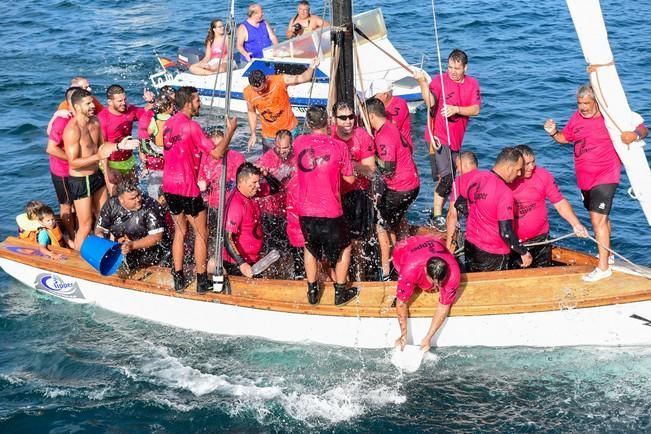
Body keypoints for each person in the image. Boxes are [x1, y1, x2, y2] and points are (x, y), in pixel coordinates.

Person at [544, 84, 648, 281]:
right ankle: (606, 256)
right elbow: (565, 138)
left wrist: (633, 135)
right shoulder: (577, 117)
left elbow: (643, 129)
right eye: (579, 103)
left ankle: (603, 268)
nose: (582, 107)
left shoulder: (611, 114)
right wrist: (552, 132)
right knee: (602, 219)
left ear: (596, 102)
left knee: (597, 220)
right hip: (585, 180)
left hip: (606, 176)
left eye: (586, 103)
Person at [162, 86, 237, 293]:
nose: (200, 103)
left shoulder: (167, 125)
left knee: (180, 231)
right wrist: (230, 131)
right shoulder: (191, 126)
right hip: (187, 188)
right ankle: (202, 280)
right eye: (197, 100)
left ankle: (178, 278)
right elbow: (216, 153)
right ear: (187, 103)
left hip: (168, 186)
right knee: (201, 233)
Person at [293, 105, 358, 305]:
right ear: (329, 122)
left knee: (311, 248)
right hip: (330, 209)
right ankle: (340, 292)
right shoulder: (339, 147)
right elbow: (350, 179)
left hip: (305, 209)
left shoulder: (298, 143)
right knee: (344, 247)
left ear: (308, 123)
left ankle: (312, 291)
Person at [415, 49, 481, 231]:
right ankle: (437, 216)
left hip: (456, 141)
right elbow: (430, 102)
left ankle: (442, 212)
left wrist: (456, 109)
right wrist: (421, 83)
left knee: (453, 179)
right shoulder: (439, 81)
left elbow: (475, 109)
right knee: (446, 178)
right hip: (438, 137)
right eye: (450, 67)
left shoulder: (472, 84)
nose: (452, 71)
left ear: (465, 68)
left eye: (457, 68)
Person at [366, 97, 420, 281]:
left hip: (401, 188)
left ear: (372, 116)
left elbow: (388, 169)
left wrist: (370, 160)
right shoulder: (391, 125)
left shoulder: (384, 136)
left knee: (380, 223)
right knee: (393, 222)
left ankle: (386, 270)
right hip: (412, 184)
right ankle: (400, 260)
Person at [509, 144, 588, 268]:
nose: (531, 167)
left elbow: (559, 202)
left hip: (541, 239)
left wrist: (575, 224)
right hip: (514, 242)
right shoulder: (507, 180)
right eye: (527, 164)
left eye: (533, 162)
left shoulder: (542, 175)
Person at [455, 147, 532, 272]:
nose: (519, 174)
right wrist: (523, 252)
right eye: (518, 170)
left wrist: (477, 217)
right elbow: (505, 233)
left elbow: (459, 204)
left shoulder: (477, 178)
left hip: (470, 245)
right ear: (509, 168)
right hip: (492, 253)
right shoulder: (504, 192)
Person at [64, 88, 118, 250]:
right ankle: (78, 261)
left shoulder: (95, 121)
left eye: (92, 102)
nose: (93, 106)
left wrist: (108, 170)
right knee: (86, 225)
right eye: (88, 104)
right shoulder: (72, 130)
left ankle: (98, 252)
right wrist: (98, 157)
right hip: (81, 180)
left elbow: (102, 147)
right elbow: (73, 163)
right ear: (77, 107)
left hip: (97, 176)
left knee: (104, 219)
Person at [332, 101, 376, 278]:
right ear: (334, 119)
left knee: (358, 240)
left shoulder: (362, 136)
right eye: (343, 118)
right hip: (334, 195)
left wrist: (348, 164)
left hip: (357, 192)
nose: (348, 121)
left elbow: (371, 170)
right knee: (336, 239)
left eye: (351, 116)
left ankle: (360, 274)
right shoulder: (329, 135)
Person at [393, 235, 460, 352]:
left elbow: (444, 306)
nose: (437, 286)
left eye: (440, 282)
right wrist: (403, 334)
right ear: (425, 270)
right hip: (404, 250)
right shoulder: (409, 269)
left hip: (433, 242)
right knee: (411, 289)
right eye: (434, 282)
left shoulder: (453, 271)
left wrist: (429, 337)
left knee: (436, 288)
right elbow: (401, 303)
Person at [244, 57, 320, 151]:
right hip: (269, 136)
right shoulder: (248, 92)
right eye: (257, 91)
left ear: (266, 80)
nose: (261, 93)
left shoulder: (280, 80)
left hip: (290, 130)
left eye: (263, 89)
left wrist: (311, 67)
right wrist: (253, 133)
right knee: (270, 164)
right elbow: (251, 112)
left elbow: (303, 78)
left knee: (295, 160)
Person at [223, 163, 280, 277]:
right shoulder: (236, 204)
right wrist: (242, 264)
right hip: (237, 264)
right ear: (241, 183)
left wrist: (266, 174)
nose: (258, 186)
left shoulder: (252, 192)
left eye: (258, 181)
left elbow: (276, 188)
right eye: (254, 183)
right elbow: (227, 238)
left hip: (254, 260)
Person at [95, 179, 166, 270]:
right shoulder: (111, 204)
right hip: (124, 252)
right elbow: (100, 229)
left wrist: (132, 245)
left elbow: (156, 237)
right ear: (121, 199)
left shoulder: (151, 206)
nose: (138, 200)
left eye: (138, 195)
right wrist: (103, 241)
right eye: (132, 198)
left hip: (152, 254)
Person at [97, 84, 154, 194]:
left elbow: (146, 113)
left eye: (124, 99)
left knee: (134, 194)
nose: (123, 103)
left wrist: (151, 101)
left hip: (129, 160)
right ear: (110, 102)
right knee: (116, 197)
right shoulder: (103, 118)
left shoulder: (130, 110)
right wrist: (107, 171)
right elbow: (102, 147)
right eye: (119, 101)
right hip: (111, 163)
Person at [255, 129, 296, 265]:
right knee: (271, 248)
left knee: (290, 247)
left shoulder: (296, 158)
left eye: (285, 148)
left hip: (289, 211)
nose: (281, 151)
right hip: (270, 211)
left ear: (291, 145)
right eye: (278, 147)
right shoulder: (267, 159)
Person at [46, 86, 78, 241]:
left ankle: (79, 230)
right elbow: (51, 148)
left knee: (78, 203)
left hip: (78, 170)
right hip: (63, 171)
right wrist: (74, 159)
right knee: (66, 204)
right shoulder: (62, 120)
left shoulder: (83, 118)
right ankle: (71, 237)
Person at [198, 129, 247, 210]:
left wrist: (231, 183)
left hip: (231, 201)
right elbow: (200, 175)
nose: (219, 149)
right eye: (215, 147)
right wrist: (203, 182)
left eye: (222, 146)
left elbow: (244, 177)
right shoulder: (204, 157)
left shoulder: (236, 157)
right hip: (210, 201)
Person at [142, 91, 175, 199]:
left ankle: (155, 200)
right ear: (169, 107)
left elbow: (150, 131)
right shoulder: (173, 119)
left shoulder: (155, 119)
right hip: (168, 150)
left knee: (154, 186)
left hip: (157, 149)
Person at [445, 150, 479, 252]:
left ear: (464, 165)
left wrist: (448, 246)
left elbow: (452, 215)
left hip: (469, 233)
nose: (458, 170)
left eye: (458, 166)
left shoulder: (459, 182)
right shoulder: (488, 178)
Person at [368, 79, 412, 151]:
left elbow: (390, 128)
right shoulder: (377, 106)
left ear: (385, 95)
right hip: (383, 147)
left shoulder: (399, 105)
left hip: (399, 149)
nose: (372, 99)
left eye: (374, 96)